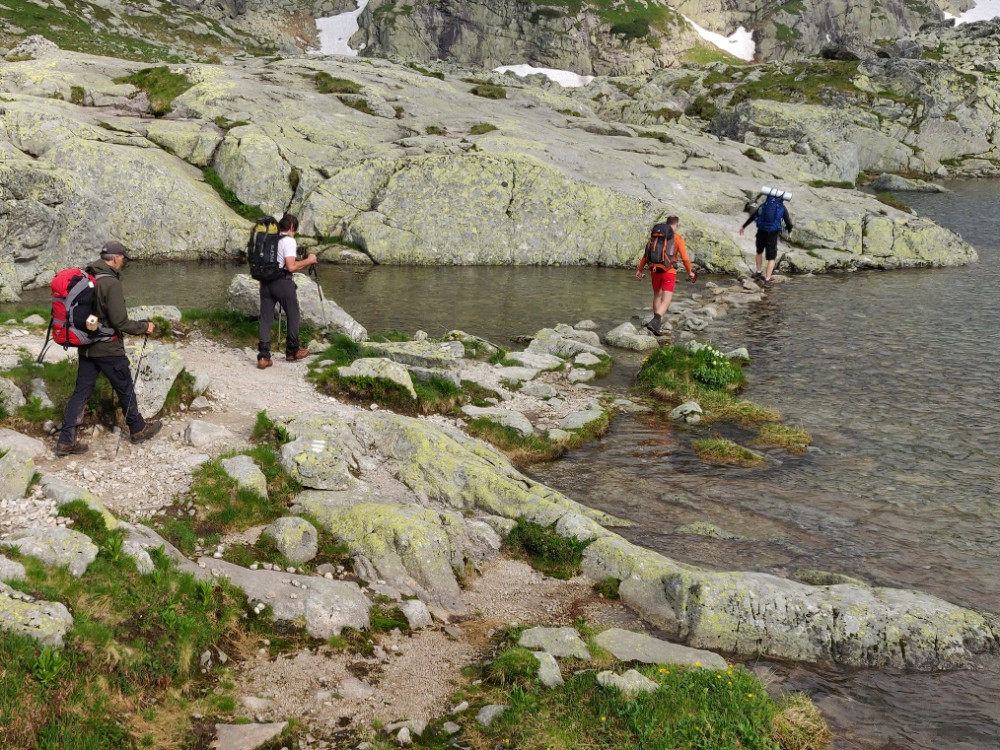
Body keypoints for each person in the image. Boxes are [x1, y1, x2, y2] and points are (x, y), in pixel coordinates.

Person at [54, 241, 161, 456]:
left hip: (86, 346)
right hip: (108, 348)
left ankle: (66, 440)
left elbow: (93, 316)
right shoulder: (110, 283)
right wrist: (144, 327)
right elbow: (120, 322)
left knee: (81, 392)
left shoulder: (88, 276)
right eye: (123, 257)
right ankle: (138, 428)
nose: (124, 261)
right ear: (115, 258)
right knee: (124, 386)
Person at [257, 213, 318, 369]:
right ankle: (292, 351)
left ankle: (263, 357)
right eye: (295, 230)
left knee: (265, 319)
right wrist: (309, 261)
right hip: (283, 282)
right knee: (293, 314)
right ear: (291, 227)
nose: (294, 232)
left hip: (265, 283)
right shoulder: (289, 240)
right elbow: (290, 266)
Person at [635, 215, 696, 336]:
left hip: (654, 270)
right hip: (669, 272)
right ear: (676, 225)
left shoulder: (655, 237)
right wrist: (690, 271)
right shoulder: (677, 238)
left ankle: (656, 324)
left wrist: (639, 270)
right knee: (667, 299)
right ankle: (656, 321)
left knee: (657, 296)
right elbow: (684, 258)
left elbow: (646, 254)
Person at [739, 193, 793, 286]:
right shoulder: (782, 207)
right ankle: (767, 279)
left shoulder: (764, 205)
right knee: (771, 258)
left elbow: (753, 216)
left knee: (759, 252)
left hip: (761, 231)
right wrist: (789, 230)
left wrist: (743, 227)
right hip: (772, 234)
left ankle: (759, 273)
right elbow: (788, 223)